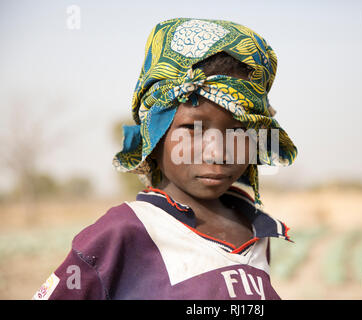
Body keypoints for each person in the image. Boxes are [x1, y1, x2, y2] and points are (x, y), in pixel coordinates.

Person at [32, 17, 298, 300]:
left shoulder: (255, 230)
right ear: (155, 135)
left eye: (238, 131)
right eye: (193, 129)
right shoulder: (123, 233)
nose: (219, 153)